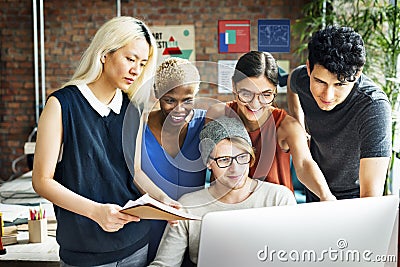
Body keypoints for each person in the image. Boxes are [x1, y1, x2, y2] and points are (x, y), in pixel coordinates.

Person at [32, 16, 175, 267]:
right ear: (104, 54)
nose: (136, 70)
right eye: (130, 59)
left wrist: (162, 199)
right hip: (85, 252)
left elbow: (136, 172)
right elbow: (42, 181)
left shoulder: (133, 109)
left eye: (142, 63)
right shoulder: (61, 105)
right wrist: (95, 212)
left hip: (136, 246)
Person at [148, 116, 296, 267]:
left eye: (242, 157)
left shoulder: (279, 198)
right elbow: (164, 263)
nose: (235, 168)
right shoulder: (188, 206)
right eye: (224, 160)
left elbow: (295, 257)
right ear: (208, 163)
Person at [206, 51, 335, 201]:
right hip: (226, 209)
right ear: (234, 86)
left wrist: (326, 196)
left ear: (274, 90)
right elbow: (207, 161)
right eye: (246, 94)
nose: (255, 103)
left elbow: (305, 164)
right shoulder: (218, 115)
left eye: (266, 95)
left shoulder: (287, 126)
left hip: (274, 210)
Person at [287, 25, 392, 201]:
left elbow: (370, 197)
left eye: (339, 85)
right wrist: (299, 127)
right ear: (308, 69)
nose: (327, 96)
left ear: (357, 75)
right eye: (320, 81)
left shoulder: (373, 106)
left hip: (355, 195)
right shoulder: (303, 80)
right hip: (315, 187)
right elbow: (292, 82)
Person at [141, 57, 207, 263]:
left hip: (192, 230)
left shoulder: (205, 123)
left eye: (187, 100)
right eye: (170, 100)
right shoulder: (138, 126)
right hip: (145, 232)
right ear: (157, 94)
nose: (179, 109)